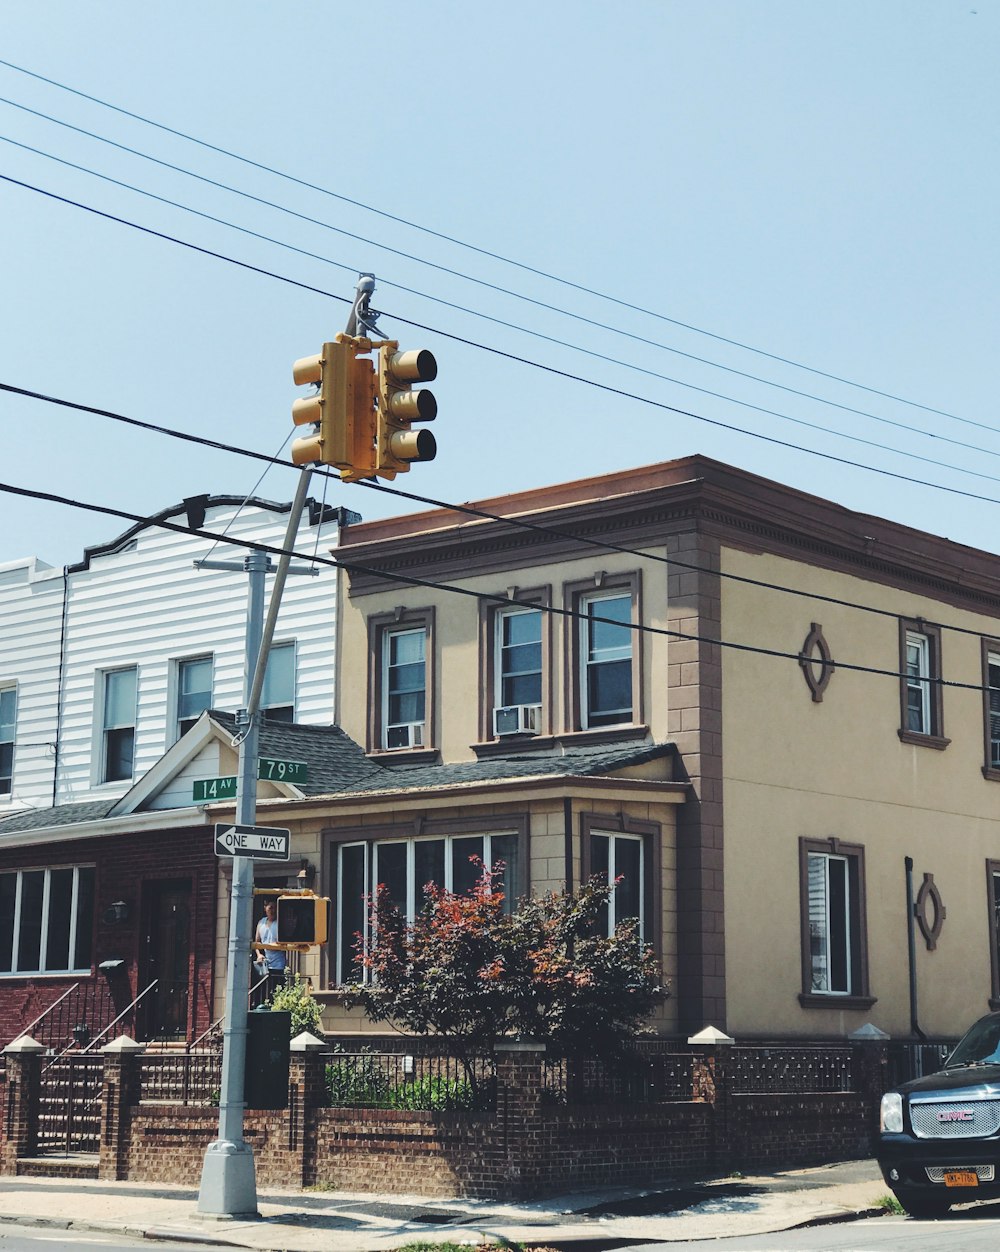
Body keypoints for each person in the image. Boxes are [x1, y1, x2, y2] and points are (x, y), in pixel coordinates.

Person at [253, 899, 287, 1004]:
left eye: (275, 908)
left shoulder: (280, 923)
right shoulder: (261, 923)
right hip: (265, 964)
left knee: (277, 990)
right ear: (265, 909)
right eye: (270, 908)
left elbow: (286, 943)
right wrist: (259, 954)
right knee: (263, 988)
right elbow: (256, 943)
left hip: (279, 964)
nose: (273, 911)